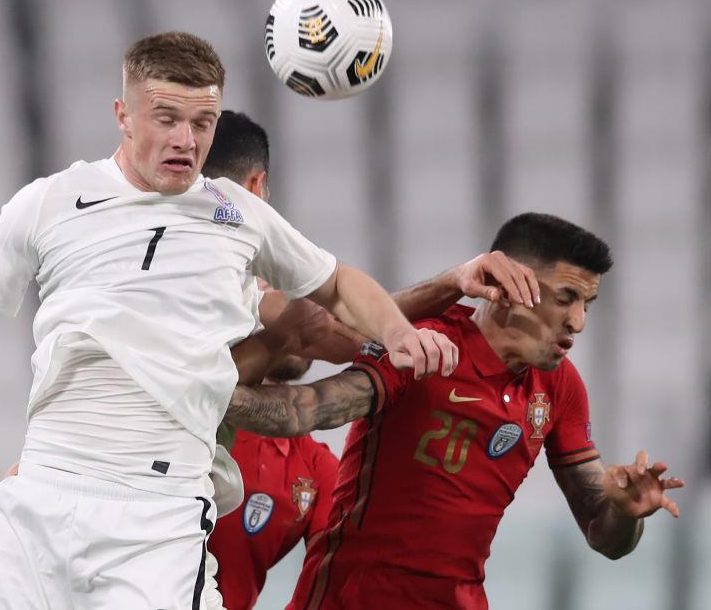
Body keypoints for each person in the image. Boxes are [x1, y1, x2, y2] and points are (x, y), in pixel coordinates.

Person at [0, 31, 461, 609]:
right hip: (42, 497)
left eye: (203, 122)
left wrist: (396, 332)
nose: (186, 140)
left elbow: (336, 285)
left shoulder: (237, 215)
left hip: (158, 514)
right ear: (123, 115)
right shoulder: (49, 204)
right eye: (166, 117)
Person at [228, 212, 686, 610]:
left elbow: (603, 533)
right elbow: (306, 410)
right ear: (509, 285)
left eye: (587, 304)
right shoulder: (426, 345)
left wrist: (626, 512)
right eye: (566, 298)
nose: (578, 322)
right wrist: (204, 391)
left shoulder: (560, 387)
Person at [201, 111, 543, 610]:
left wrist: (445, 289)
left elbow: (329, 328)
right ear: (258, 188)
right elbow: (329, 323)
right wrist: (447, 286)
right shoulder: (233, 281)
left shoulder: (145, 262)